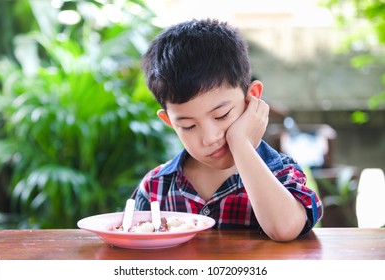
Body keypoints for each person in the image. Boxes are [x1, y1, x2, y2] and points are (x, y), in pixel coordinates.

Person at [131, 18, 323, 241]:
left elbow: (285, 229)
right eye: (188, 126)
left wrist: (241, 143)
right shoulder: (157, 186)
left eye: (222, 116)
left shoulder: (281, 173)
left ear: (252, 98)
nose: (209, 138)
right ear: (170, 122)